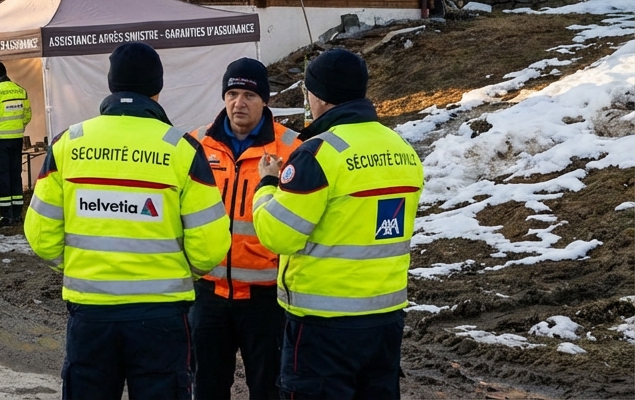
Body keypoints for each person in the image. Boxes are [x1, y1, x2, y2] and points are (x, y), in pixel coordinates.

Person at [24, 42, 232, 400]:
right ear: (158, 88)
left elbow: (41, 236)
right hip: (161, 317)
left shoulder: (68, 145)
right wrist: (176, 272)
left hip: (91, 316)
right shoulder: (181, 149)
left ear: (111, 84)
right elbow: (210, 247)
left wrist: (80, 264)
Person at [251, 49, 424, 400]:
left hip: (323, 324)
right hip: (384, 317)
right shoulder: (402, 148)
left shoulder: (318, 154)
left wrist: (267, 185)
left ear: (317, 96)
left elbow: (277, 234)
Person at [187, 58, 299, 400]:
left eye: (249, 95)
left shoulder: (293, 148)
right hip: (207, 295)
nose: (239, 103)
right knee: (206, 387)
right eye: (232, 93)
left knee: (268, 389)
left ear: (265, 100)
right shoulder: (195, 145)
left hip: (266, 300)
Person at [0, 62, 31, 226]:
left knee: (2, 176)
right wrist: (19, 128)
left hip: (0, 141)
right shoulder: (20, 90)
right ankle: (17, 214)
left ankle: (6, 215)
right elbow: (27, 115)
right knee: (15, 174)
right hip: (16, 139)